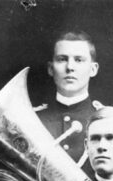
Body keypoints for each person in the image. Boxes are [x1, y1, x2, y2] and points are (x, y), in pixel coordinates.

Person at [34, 31, 103, 172]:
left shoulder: (107, 120)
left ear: (93, 69)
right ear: (51, 69)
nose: (70, 67)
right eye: (62, 59)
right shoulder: (32, 119)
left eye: (79, 60)